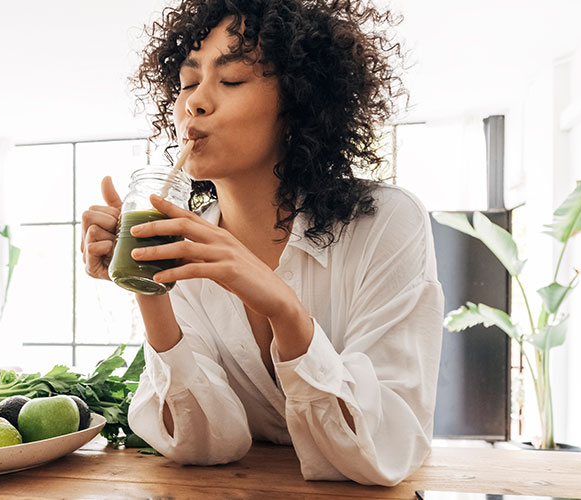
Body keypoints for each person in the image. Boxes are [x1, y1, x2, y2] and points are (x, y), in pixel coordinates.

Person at [80, 0, 443, 486]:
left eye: (230, 80)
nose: (195, 102)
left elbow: (385, 448)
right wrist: (148, 283)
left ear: (298, 103)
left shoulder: (386, 222)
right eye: (188, 83)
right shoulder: (181, 238)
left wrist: (285, 311)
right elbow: (204, 445)